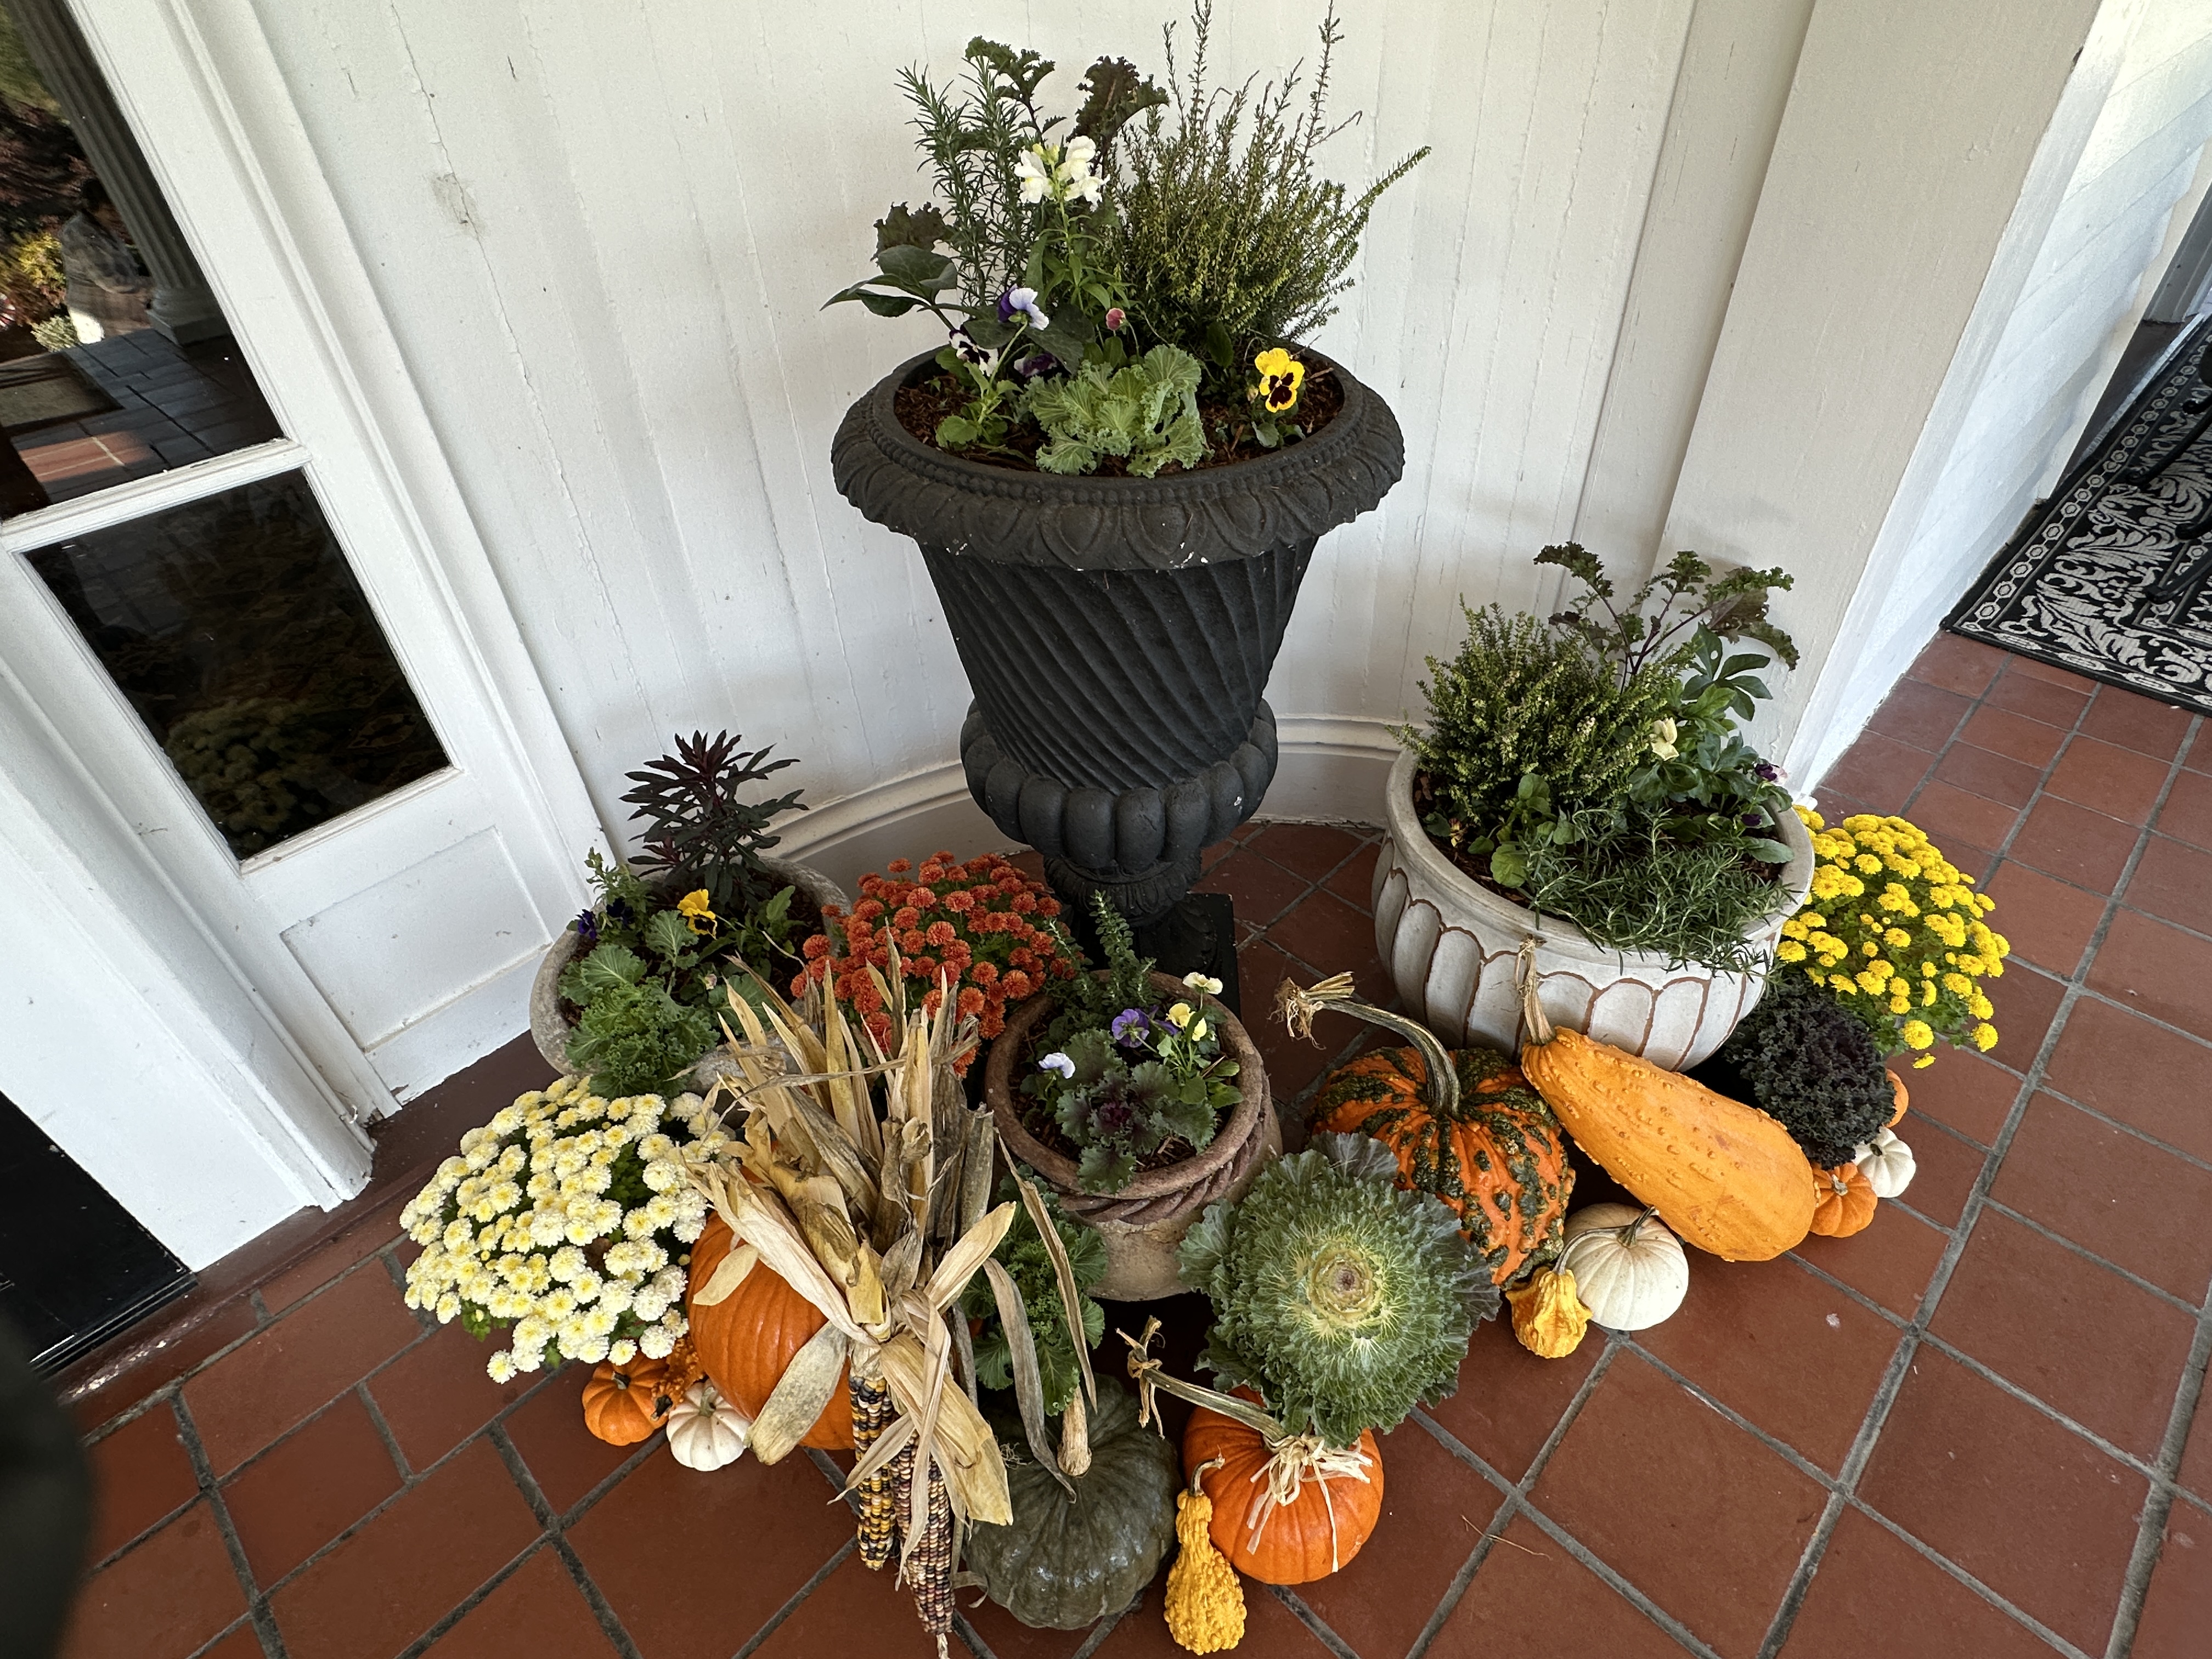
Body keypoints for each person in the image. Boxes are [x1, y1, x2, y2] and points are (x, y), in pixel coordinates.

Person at [58, 178, 151, 343]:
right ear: (90, 207)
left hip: (123, 319)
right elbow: (113, 282)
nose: (116, 214)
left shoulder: (100, 228)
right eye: (109, 209)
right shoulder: (80, 233)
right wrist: (155, 285)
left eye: (119, 208)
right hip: (103, 323)